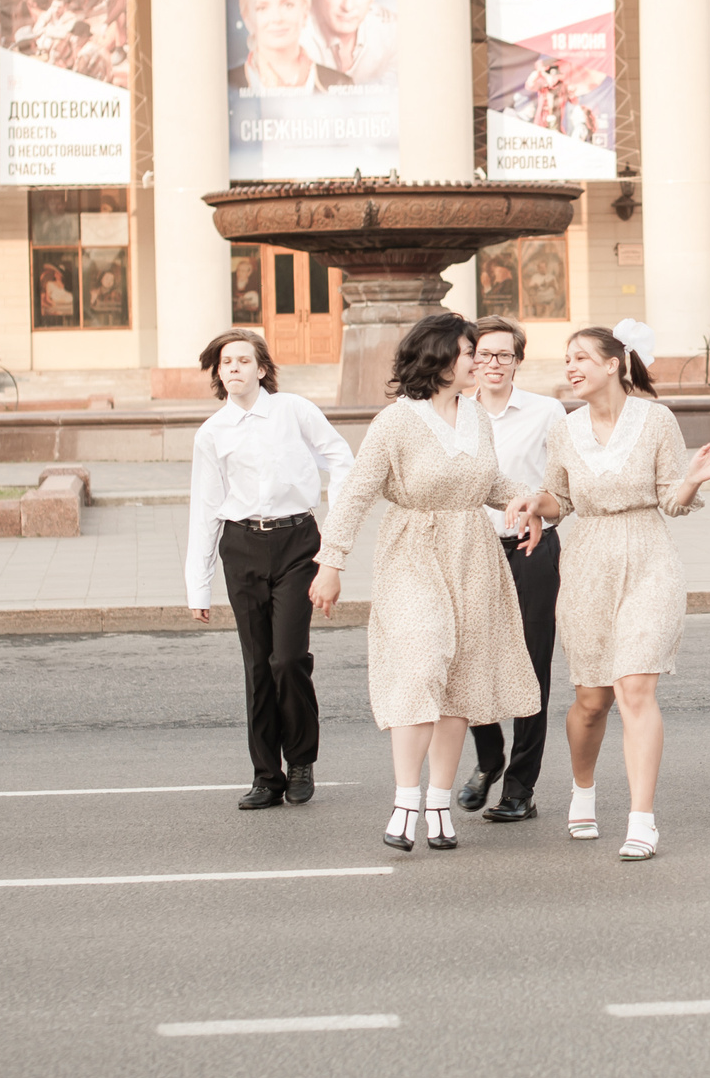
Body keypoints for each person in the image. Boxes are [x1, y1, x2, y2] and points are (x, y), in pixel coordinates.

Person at [309, 313, 543, 853]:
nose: (481, 362)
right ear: (440, 357)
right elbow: (358, 493)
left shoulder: (476, 417)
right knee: (421, 661)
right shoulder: (396, 423)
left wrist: (524, 500)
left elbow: (486, 481)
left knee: (459, 678)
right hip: (413, 551)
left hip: (473, 554)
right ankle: (405, 798)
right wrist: (331, 563)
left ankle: (440, 802)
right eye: (471, 353)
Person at [505, 322, 710, 861]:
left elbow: (671, 503)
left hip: (649, 558)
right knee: (591, 701)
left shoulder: (656, 420)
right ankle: (582, 791)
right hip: (586, 563)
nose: (571, 367)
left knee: (635, 688)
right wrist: (531, 504)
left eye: (581, 357)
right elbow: (561, 499)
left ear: (613, 363)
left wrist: (693, 479)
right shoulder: (564, 429)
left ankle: (641, 819)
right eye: (567, 359)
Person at [184, 330, 355, 812]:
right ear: (218, 374)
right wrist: (197, 585)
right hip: (242, 547)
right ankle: (267, 776)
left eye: (244, 360)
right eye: (226, 362)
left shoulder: (293, 410)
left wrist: (335, 534)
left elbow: (342, 459)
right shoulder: (211, 434)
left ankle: (301, 761)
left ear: (262, 369)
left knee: (287, 659)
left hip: (299, 542)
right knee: (258, 664)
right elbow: (205, 509)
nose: (234, 367)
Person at [455, 316, 570, 824]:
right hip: (470, 550)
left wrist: (539, 512)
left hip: (531, 548)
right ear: (469, 359)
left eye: (504, 355)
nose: (493, 364)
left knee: (531, 665)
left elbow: (563, 492)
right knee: (468, 655)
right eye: (483, 354)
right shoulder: (452, 413)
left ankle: (520, 788)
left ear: (518, 360)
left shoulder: (548, 412)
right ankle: (488, 756)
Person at [228, 0, 340, 93]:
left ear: (305, 13)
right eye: (262, 8)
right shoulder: (229, 83)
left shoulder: (339, 82)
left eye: (288, 5)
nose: (277, 18)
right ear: (247, 20)